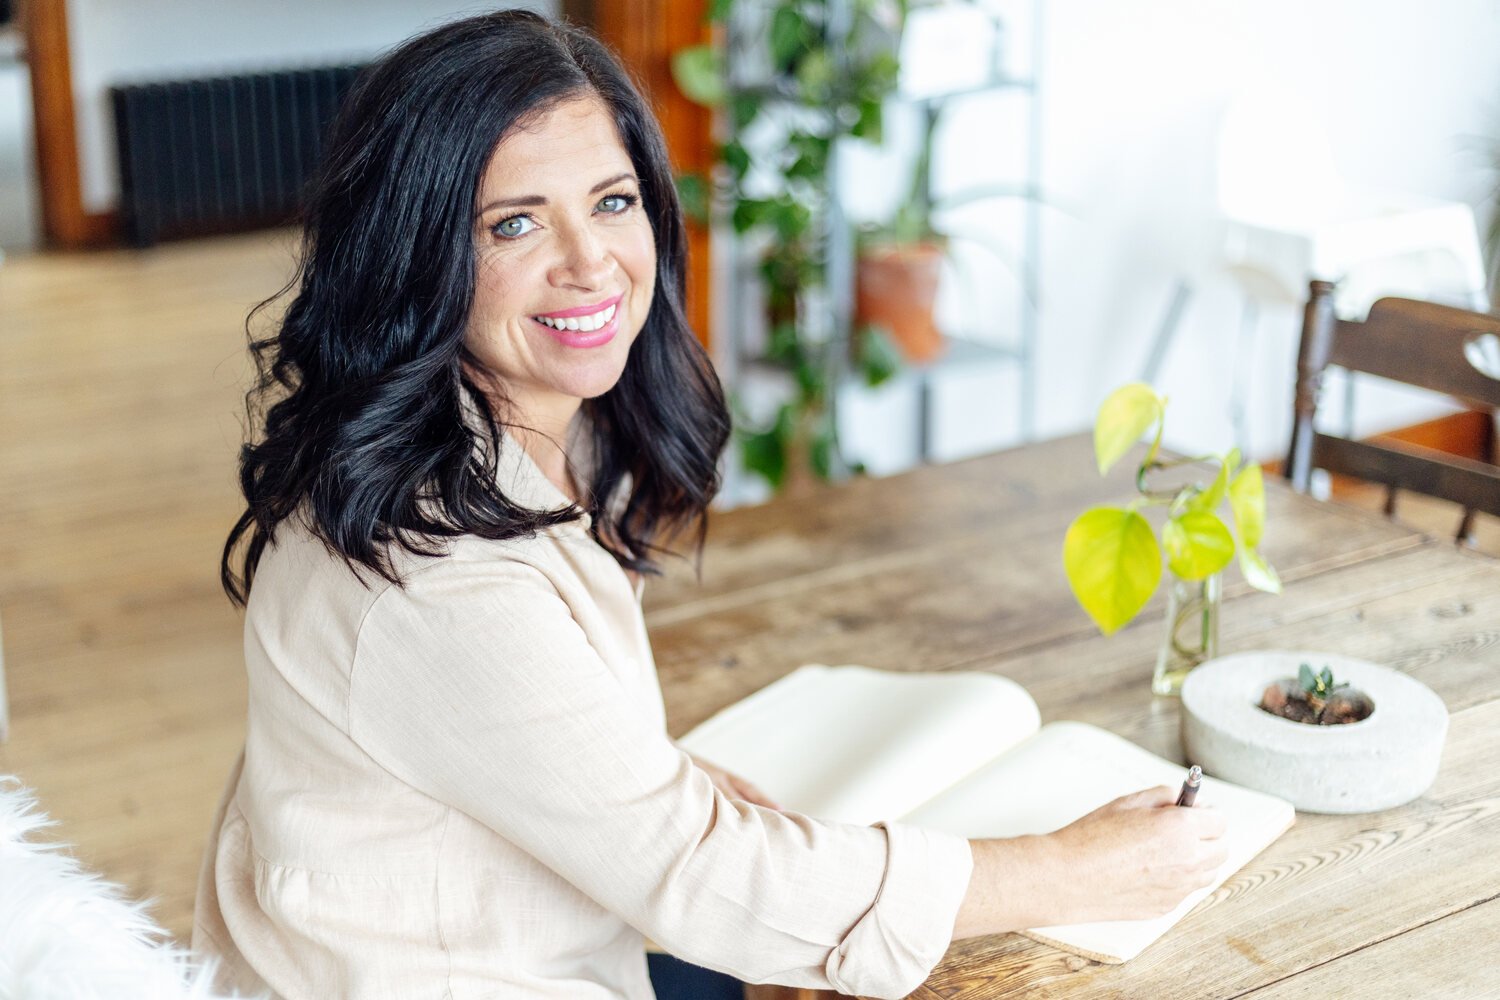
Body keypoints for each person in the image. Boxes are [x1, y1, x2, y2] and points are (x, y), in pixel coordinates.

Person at [193, 10, 1228, 1000]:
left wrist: (654, 779)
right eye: (514, 223)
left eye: (612, 201)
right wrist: (1072, 871)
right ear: (417, 255)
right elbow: (703, 879)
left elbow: (486, 740)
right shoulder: (434, 574)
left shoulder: (517, 431)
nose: (592, 262)